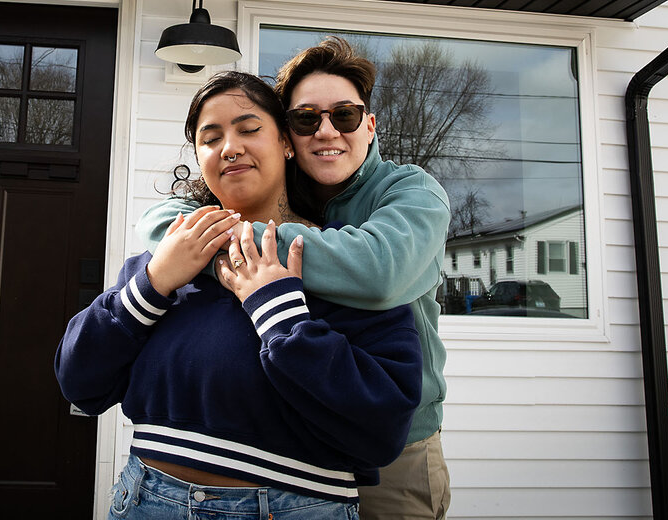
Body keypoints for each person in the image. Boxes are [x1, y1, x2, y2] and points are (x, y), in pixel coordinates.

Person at [56, 71, 422, 519]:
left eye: (249, 129)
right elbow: (78, 383)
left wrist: (278, 312)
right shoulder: (168, 260)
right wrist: (153, 280)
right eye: (211, 138)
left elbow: (382, 430)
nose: (230, 147)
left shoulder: (345, 268)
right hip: (145, 499)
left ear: (287, 143)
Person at [139, 38, 452, 520]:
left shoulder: (409, 191)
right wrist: (178, 247)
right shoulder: (289, 192)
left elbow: (379, 273)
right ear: (288, 137)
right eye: (307, 118)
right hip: (304, 453)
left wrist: (234, 238)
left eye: (344, 115)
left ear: (369, 125)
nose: (326, 132)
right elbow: (163, 219)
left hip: (398, 445)